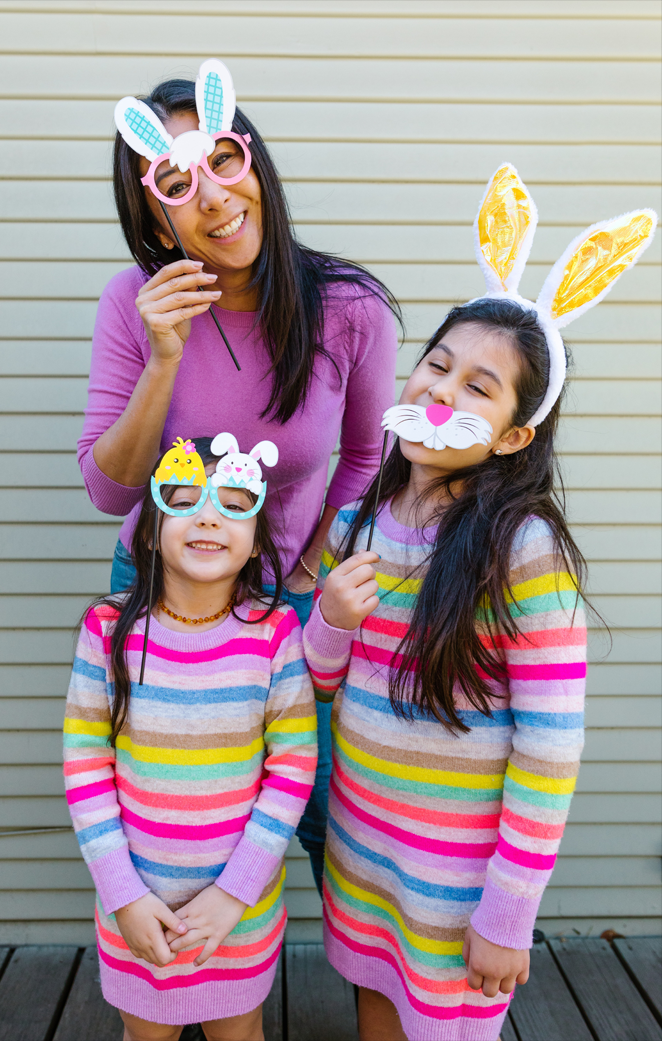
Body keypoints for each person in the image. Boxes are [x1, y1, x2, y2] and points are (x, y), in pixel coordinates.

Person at [78, 66, 399, 891]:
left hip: (294, 603)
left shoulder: (349, 306)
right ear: (153, 213)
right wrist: (163, 358)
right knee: (169, 814)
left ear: (251, 159)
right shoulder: (134, 303)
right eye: (176, 184)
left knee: (330, 814)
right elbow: (111, 490)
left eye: (222, 160)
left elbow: (367, 459)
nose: (213, 198)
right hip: (160, 592)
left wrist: (302, 574)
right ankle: (177, 995)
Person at [302, 298, 587, 1041]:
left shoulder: (522, 547)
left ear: (513, 435)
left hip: (457, 880)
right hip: (363, 847)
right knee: (374, 1000)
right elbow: (317, 685)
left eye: (478, 386)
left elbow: (550, 747)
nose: (442, 389)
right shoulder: (355, 524)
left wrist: (509, 910)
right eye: (437, 364)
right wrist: (330, 619)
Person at [63, 437, 317, 1041]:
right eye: (183, 501)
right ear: (149, 530)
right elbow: (85, 765)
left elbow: (294, 768)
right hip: (135, 905)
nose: (208, 515)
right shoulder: (107, 629)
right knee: (146, 1032)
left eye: (234, 504)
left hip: (239, 910)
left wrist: (235, 892)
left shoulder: (276, 632)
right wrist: (122, 894)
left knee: (239, 1030)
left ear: (257, 537)